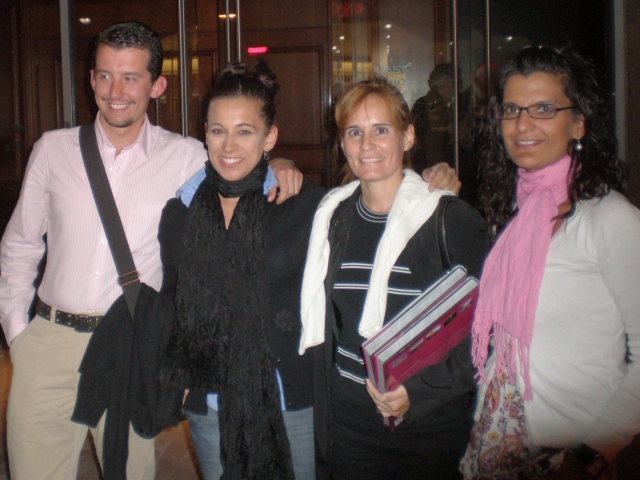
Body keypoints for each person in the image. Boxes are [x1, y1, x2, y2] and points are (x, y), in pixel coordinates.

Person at [0, 21, 302, 480]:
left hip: (133, 346)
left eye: (130, 77)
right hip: (50, 342)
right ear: (91, 79)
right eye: (105, 75)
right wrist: (19, 335)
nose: (115, 91)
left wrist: (281, 161)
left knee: (129, 471)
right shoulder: (52, 150)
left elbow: (240, 163)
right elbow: (20, 244)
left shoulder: (185, 157)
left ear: (156, 86)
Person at [460, 46, 640, 478]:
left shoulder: (609, 219)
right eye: (511, 109)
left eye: (544, 109)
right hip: (497, 443)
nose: (523, 125)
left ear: (578, 122)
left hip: (569, 454)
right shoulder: (513, 215)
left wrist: (592, 454)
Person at [299, 77, 490, 479]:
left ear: (409, 136)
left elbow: (488, 331)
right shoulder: (333, 218)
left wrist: (417, 392)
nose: (366, 144)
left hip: (428, 427)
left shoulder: (448, 220)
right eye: (354, 132)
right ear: (343, 144)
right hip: (348, 424)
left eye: (381, 130)